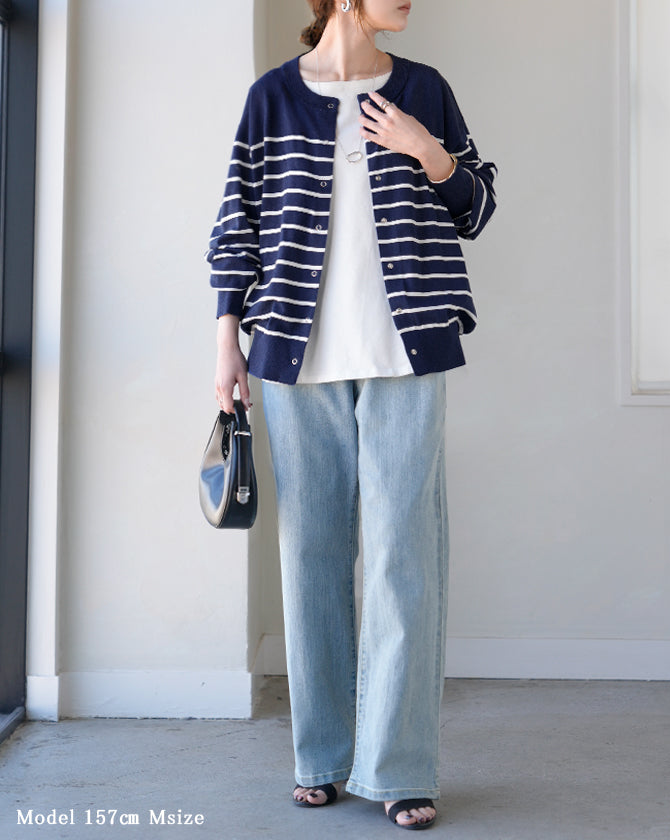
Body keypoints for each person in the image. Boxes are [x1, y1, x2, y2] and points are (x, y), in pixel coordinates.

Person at [208, 0, 496, 830]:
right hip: (296, 361)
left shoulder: (424, 90)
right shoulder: (272, 97)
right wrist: (227, 343)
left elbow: (476, 207)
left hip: (407, 355)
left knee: (406, 560)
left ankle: (400, 768)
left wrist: (428, 151)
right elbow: (237, 222)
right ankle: (323, 758)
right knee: (310, 561)